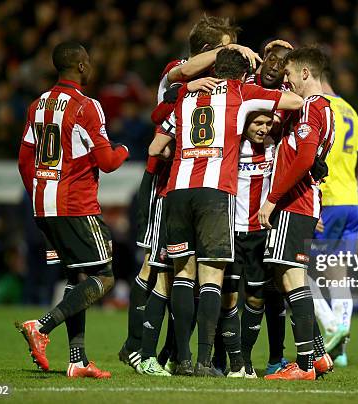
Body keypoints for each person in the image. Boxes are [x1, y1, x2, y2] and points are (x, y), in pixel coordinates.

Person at [119, 14, 261, 368]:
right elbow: (162, 113)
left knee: (187, 275)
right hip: (167, 184)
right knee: (157, 267)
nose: (234, 55)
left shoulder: (217, 89)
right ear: (209, 51)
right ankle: (136, 345)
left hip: (193, 183)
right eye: (226, 48)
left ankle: (171, 353)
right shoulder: (180, 74)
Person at [151, 48, 303, 377]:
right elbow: (295, 103)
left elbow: (156, 144)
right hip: (214, 192)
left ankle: (183, 359)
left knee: (182, 275)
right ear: (241, 74)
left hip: (176, 190)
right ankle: (205, 361)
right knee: (212, 279)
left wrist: (185, 87)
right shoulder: (240, 91)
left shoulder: (184, 95)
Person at [16, 41, 129, 378]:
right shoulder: (86, 106)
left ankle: (78, 360)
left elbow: (24, 160)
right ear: (81, 65)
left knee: (76, 277)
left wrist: (40, 193)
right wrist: (123, 148)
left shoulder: (38, 105)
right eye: (89, 60)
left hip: (44, 205)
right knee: (105, 277)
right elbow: (108, 162)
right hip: (75, 205)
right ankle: (42, 326)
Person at [212, 42, 293, 377]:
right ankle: (221, 359)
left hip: (261, 233)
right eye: (256, 123)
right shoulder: (233, 142)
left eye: (266, 123)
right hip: (231, 229)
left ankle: (245, 359)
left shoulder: (274, 146)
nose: (262, 128)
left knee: (259, 298)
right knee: (228, 297)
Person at [258, 46, 335, 381]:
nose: (285, 80)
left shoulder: (309, 108)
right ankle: (317, 356)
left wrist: (273, 199)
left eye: (289, 74)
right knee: (285, 278)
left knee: (291, 279)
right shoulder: (328, 108)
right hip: (304, 202)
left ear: (305, 73)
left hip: (293, 203)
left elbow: (304, 159)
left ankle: (303, 366)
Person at [311, 67, 358, 368]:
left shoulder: (321, 106)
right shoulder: (351, 110)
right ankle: (340, 350)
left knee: (296, 271)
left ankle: (331, 326)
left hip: (327, 200)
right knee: (339, 275)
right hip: (351, 201)